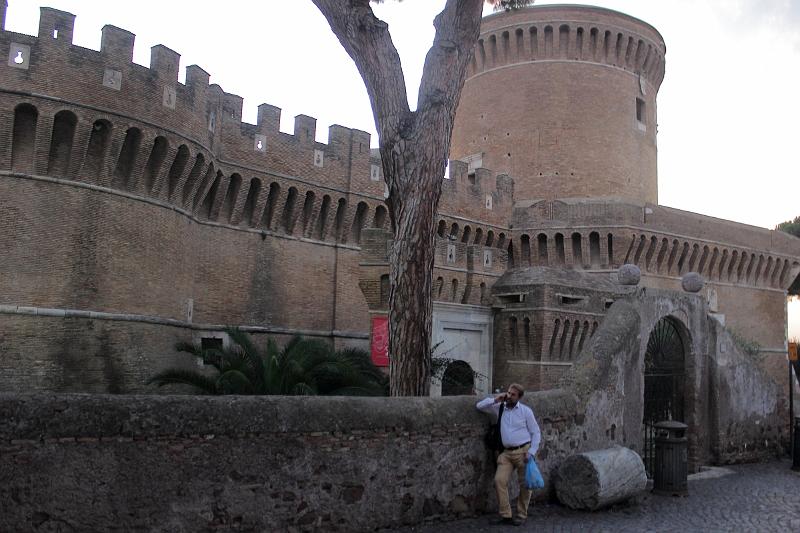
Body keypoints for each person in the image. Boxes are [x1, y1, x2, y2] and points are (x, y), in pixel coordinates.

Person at [476, 383, 541, 526]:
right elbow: (479, 406)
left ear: (519, 397)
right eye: (509, 393)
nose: (509, 396)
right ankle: (506, 515)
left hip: (523, 452)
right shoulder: (500, 407)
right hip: (506, 453)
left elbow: (536, 432)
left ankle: (521, 514)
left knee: (525, 485)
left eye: (513, 394)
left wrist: (531, 452)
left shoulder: (526, 411)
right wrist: (495, 399)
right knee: (499, 480)